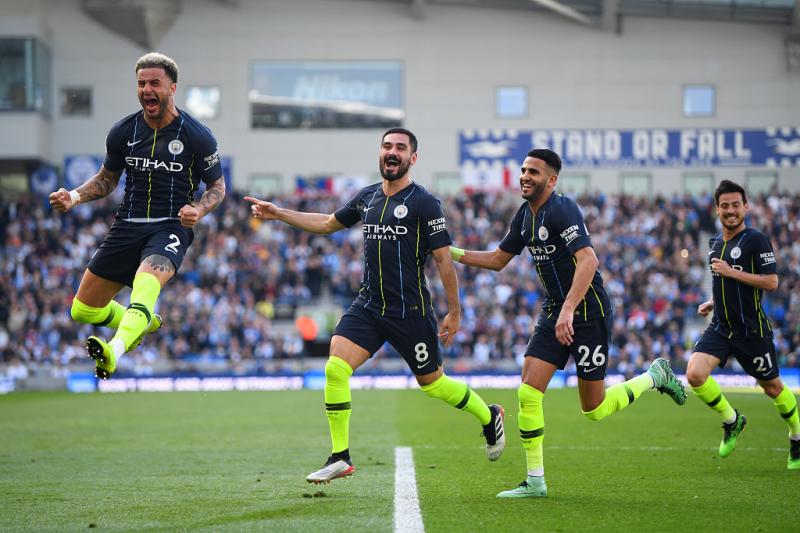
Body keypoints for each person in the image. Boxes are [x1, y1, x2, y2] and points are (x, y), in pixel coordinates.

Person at [245, 127, 505, 484]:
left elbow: (444, 260)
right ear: (380, 153)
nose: (392, 152)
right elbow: (327, 223)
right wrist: (279, 213)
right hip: (368, 305)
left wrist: (455, 311)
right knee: (336, 368)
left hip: (409, 311)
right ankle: (340, 457)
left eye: (400, 147)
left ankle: (489, 416)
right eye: (387, 146)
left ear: (413, 158)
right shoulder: (367, 197)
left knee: (433, 384)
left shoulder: (425, 203)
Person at [450, 148, 687, 498]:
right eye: (523, 170)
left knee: (594, 408)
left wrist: (569, 310)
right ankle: (535, 481)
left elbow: (588, 260)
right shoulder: (524, 215)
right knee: (528, 392)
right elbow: (499, 259)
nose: (525, 176)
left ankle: (655, 376)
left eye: (533, 172)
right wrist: (449, 252)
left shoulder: (562, 209)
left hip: (588, 313)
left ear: (551, 179)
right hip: (554, 311)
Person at [49, 52, 226, 379]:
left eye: (154, 83)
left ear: (172, 88)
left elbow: (217, 186)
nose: (147, 89)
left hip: (170, 226)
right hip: (127, 225)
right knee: (82, 310)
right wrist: (73, 197)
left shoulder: (196, 135)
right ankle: (142, 321)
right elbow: (106, 180)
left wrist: (199, 209)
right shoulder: (123, 131)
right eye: (141, 83)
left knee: (145, 287)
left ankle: (114, 351)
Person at [686, 179, 799, 470]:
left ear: (745, 207)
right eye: (725, 205)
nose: (730, 210)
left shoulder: (756, 240)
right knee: (695, 374)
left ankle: (796, 436)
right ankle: (732, 420)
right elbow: (723, 282)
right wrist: (713, 301)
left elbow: (771, 282)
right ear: (717, 209)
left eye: (736, 204)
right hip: (721, 327)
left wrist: (731, 272)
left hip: (752, 331)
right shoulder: (714, 244)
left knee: (772, 388)